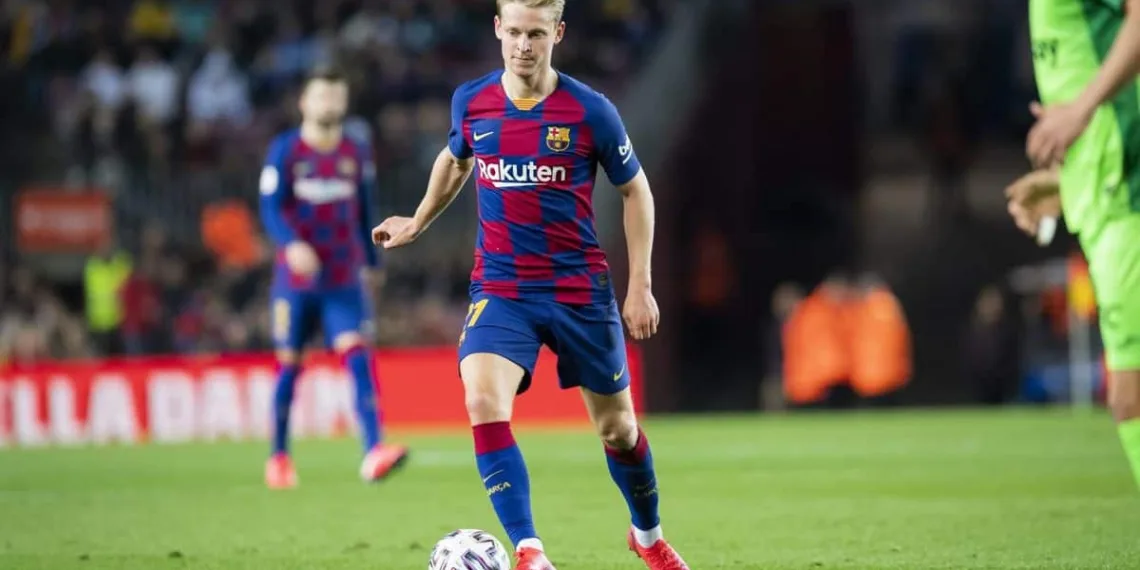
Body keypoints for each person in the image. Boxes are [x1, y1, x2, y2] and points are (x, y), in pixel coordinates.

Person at [371, 1, 687, 568]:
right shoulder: (472, 101)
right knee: (481, 399)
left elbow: (635, 190)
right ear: (498, 28)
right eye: (514, 31)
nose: (523, 45)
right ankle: (529, 550)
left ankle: (647, 537)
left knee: (618, 430)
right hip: (502, 288)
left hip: (578, 289)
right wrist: (417, 220)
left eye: (536, 34)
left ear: (557, 33)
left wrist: (640, 285)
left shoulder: (591, 111)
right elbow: (456, 159)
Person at [1008, 0, 1140, 491]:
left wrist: (1080, 110)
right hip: (1106, 198)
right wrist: (1065, 184)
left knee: (1131, 396)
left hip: (1129, 195)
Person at [258, 66, 407, 489]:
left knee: (358, 355)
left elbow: (365, 208)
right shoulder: (285, 150)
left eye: (337, 96)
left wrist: (373, 264)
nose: (330, 104)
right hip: (297, 281)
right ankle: (279, 457)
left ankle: (373, 451)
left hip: (343, 276)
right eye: (322, 95)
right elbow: (270, 208)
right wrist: (291, 244)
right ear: (304, 102)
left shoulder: (355, 151)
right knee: (290, 365)